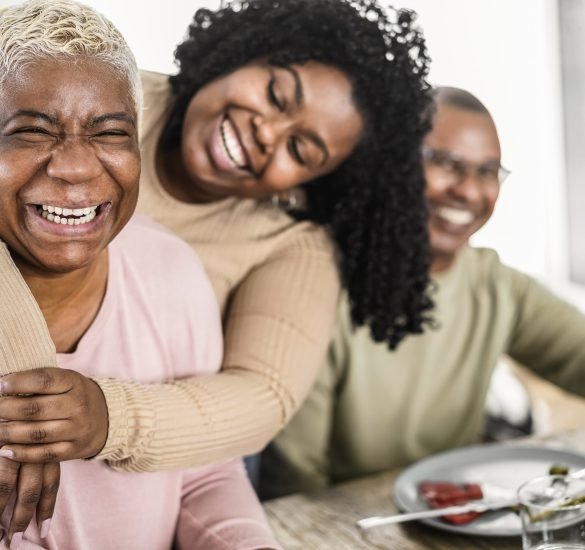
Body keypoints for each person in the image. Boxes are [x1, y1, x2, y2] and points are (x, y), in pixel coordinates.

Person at [0, 0, 434, 510]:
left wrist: (105, 416)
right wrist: (23, 401)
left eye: (301, 150)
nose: (266, 133)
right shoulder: (93, 92)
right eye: (276, 94)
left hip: (171, 466)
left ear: (312, 184)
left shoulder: (289, 243)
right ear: (244, 52)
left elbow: (262, 396)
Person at [0, 1, 280, 547]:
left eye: (109, 133)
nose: (77, 167)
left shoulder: (169, 270)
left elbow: (205, 475)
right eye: (32, 130)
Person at [258, 86, 585, 499]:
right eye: (446, 163)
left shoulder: (496, 286)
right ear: (389, 163)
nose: (468, 191)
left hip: (462, 520)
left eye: (488, 171)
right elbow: (296, 486)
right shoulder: (317, 287)